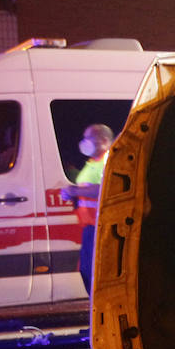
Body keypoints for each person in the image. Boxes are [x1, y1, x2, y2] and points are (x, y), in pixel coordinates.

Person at [60, 123, 114, 294]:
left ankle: (102, 306)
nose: (84, 142)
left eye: (88, 138)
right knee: (87, 272)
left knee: (95, 273)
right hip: (90, 226)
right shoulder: (92, 163)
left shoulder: (109, 161)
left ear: (103, 140)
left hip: (102, 226)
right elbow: (88, 190)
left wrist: (75, 191)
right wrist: (72, 194)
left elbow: (107, 188)